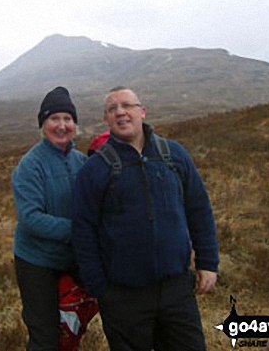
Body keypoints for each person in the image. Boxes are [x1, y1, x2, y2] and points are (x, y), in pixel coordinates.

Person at [72, 86, 219, 351]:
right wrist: (99, 287)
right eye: (112, 109)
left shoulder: (173, 155)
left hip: (176, 290)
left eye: (126, 105)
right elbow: (83, 230)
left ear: (142, 111)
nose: (120, 112)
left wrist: (208, 262)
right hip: (123, 295)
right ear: (106, 119)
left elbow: (199, 209)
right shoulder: (95, 169)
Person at [11, 86, 89, 350]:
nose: (62, 125)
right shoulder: (29, 166)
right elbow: (30, 218)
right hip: (36, 262)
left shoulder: (83, 163)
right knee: (45, 335)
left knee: (75, 323)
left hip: (73, 257)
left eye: (67, 119)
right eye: (54, 119)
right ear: (43, 125)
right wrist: (79, 230)